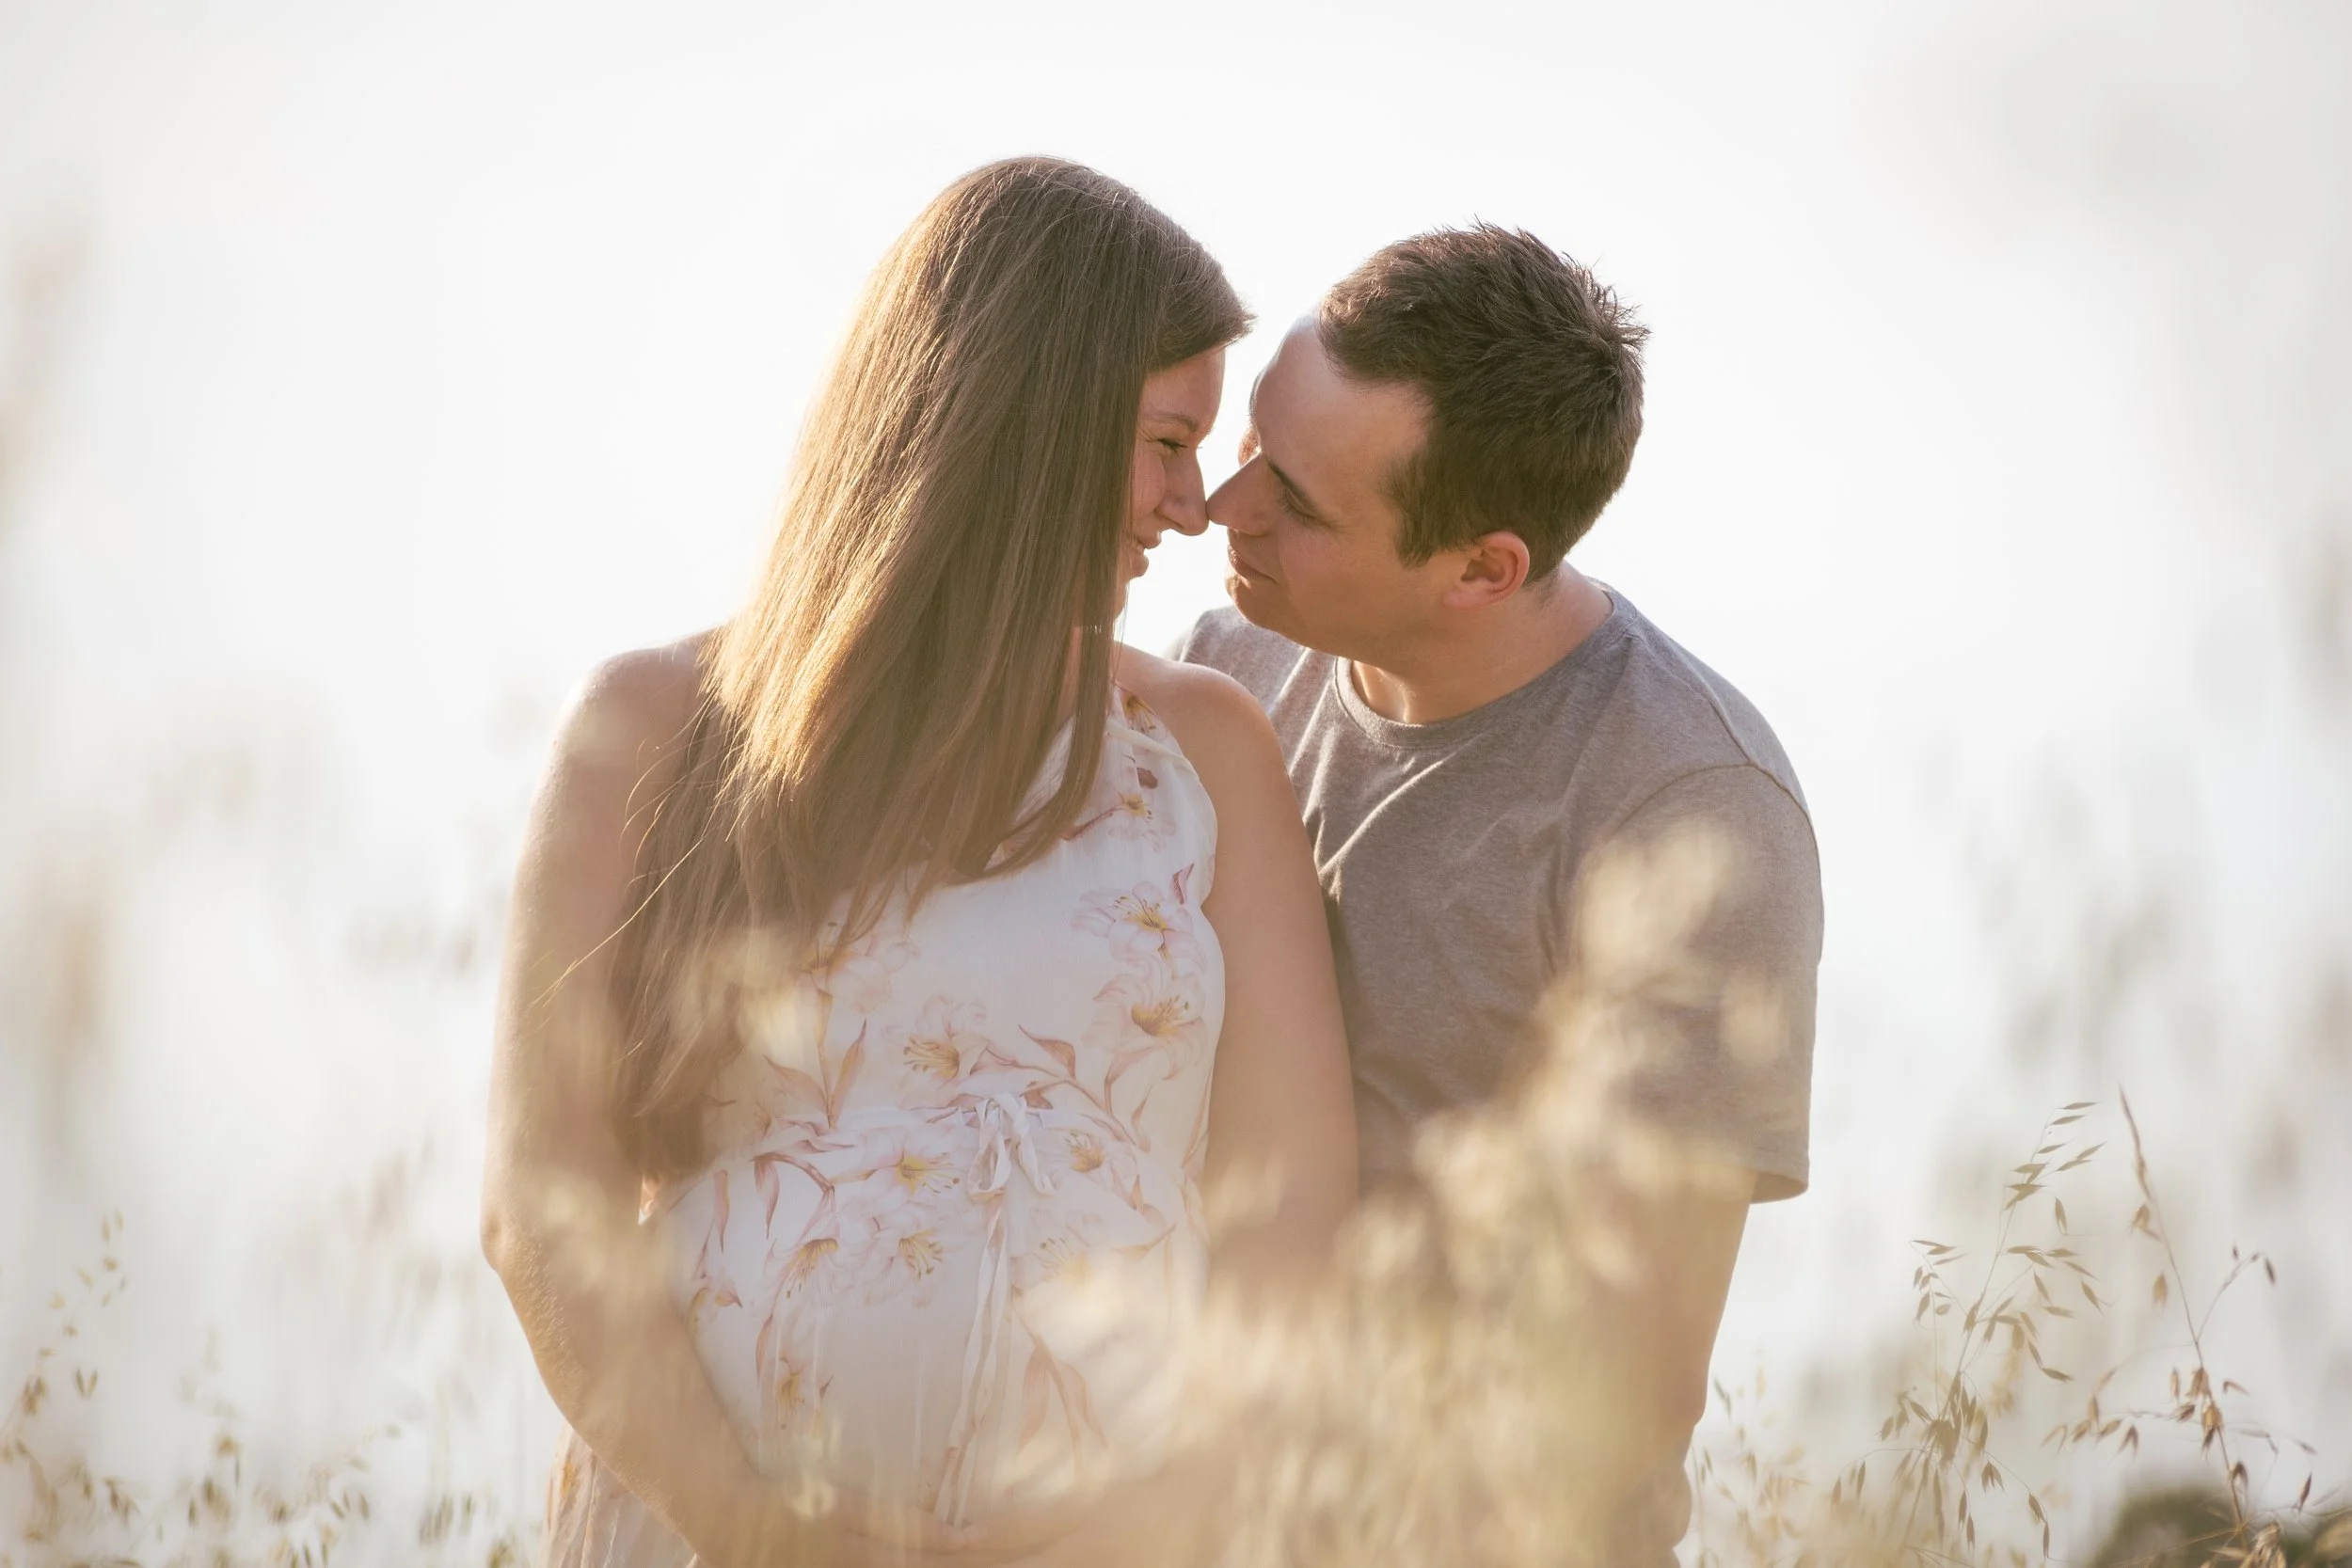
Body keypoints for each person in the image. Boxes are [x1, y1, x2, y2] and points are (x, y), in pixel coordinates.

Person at [482, 157, 1358, 1568]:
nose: (1192, 507)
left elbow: (1295, 1221)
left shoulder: (1204, 750)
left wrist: (1148, 1520)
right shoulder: (653, 726)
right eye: (1164, 441)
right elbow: (545, 1209)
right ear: (1027, 417)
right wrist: (760, 1529)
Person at [1177, 225, 1823, 1563]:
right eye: (1248, 447)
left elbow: (1629, 1383)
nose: (1221, 510)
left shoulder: (1686, 811)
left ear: (1485, 567)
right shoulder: (1228, 662)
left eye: (1296, 501)